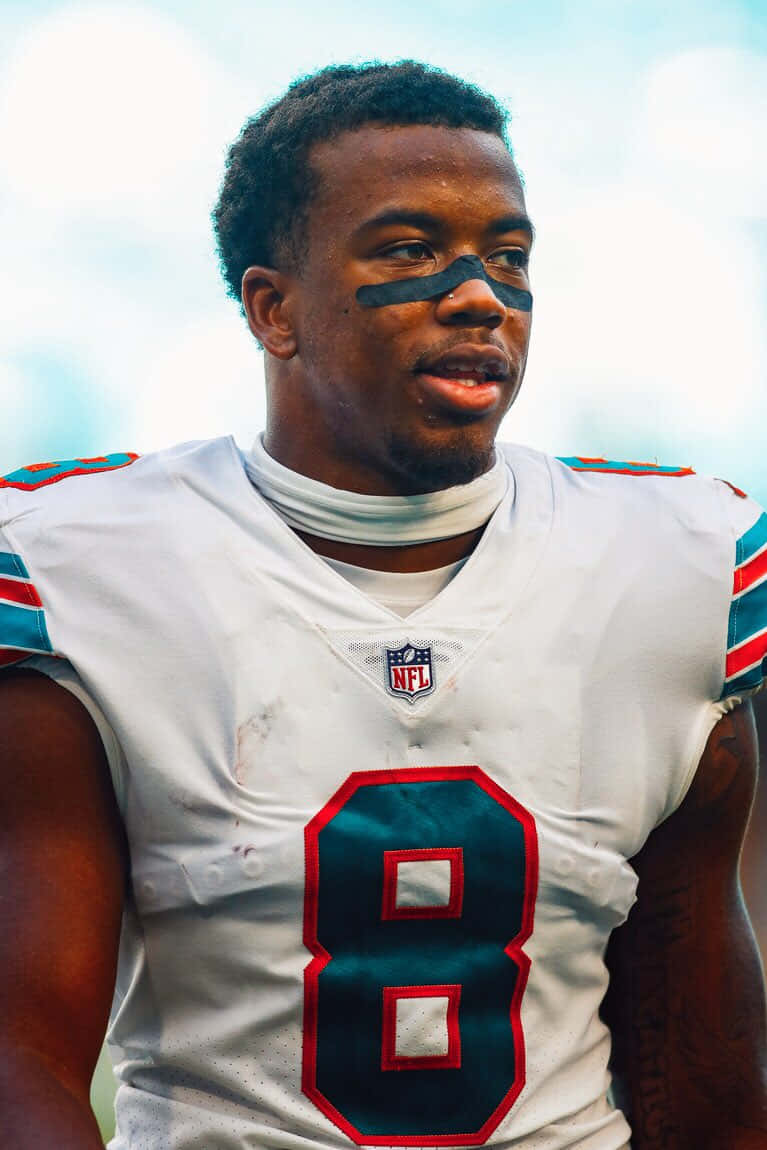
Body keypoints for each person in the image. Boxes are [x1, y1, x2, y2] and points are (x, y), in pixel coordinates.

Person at [0, 60, 765, 1150]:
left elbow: (700, 1059)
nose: (479, 295)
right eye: (409, 251)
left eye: (509, 256)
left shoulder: (670, 561)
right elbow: (18, 1049)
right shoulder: (83, 565)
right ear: (273, 309)